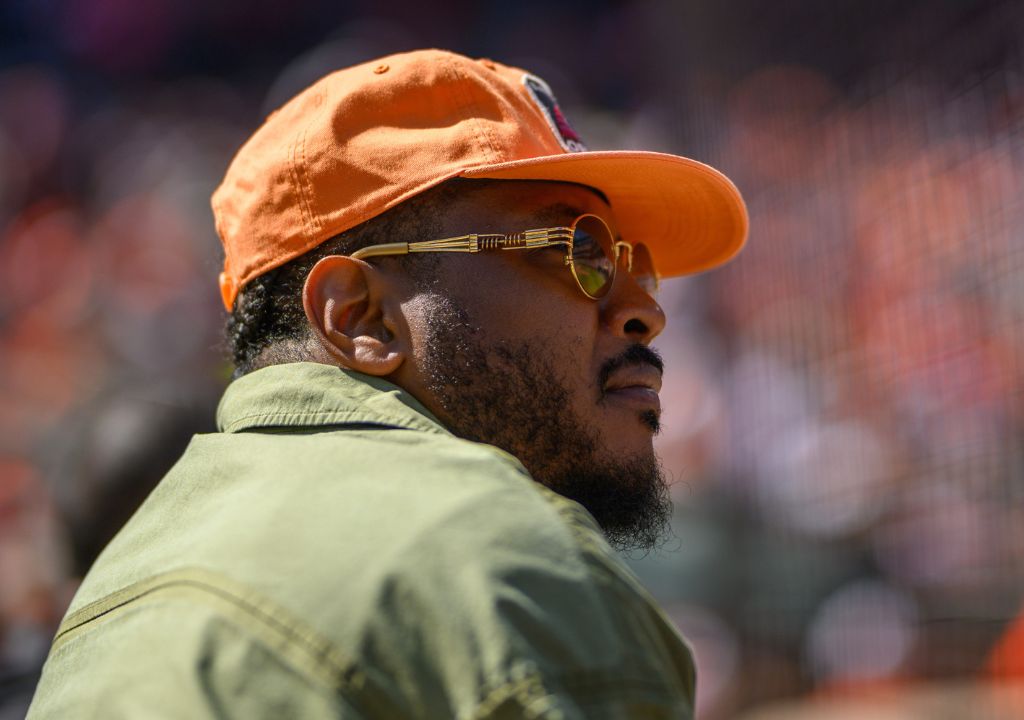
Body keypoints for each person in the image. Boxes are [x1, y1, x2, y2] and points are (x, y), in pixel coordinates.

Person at [25, 49, 747, 718]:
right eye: (578, 250)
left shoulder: (110, 595)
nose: (643, 311)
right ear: (360, 316)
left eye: (634, 263)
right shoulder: (499, 553)